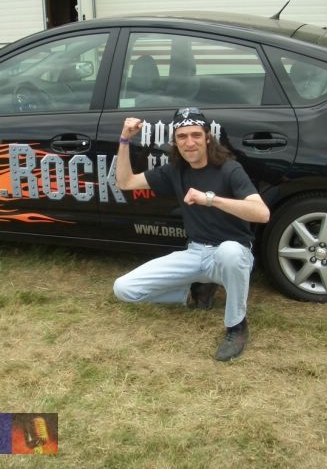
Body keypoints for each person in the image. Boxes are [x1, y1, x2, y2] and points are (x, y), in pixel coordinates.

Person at [113, 107, 270, 361]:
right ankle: (194, 293)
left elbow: (261, 213)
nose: (189, 142)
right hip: (195, 253)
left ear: (207, 137)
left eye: (196, 135)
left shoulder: (230, 169)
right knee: (123, 288)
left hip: (232, 253)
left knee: (230, 252)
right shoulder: (175, 170)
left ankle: (236, 326)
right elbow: (125, 182)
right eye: (182, 136)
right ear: (175, 142)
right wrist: (124, 140)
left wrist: (210, 199)